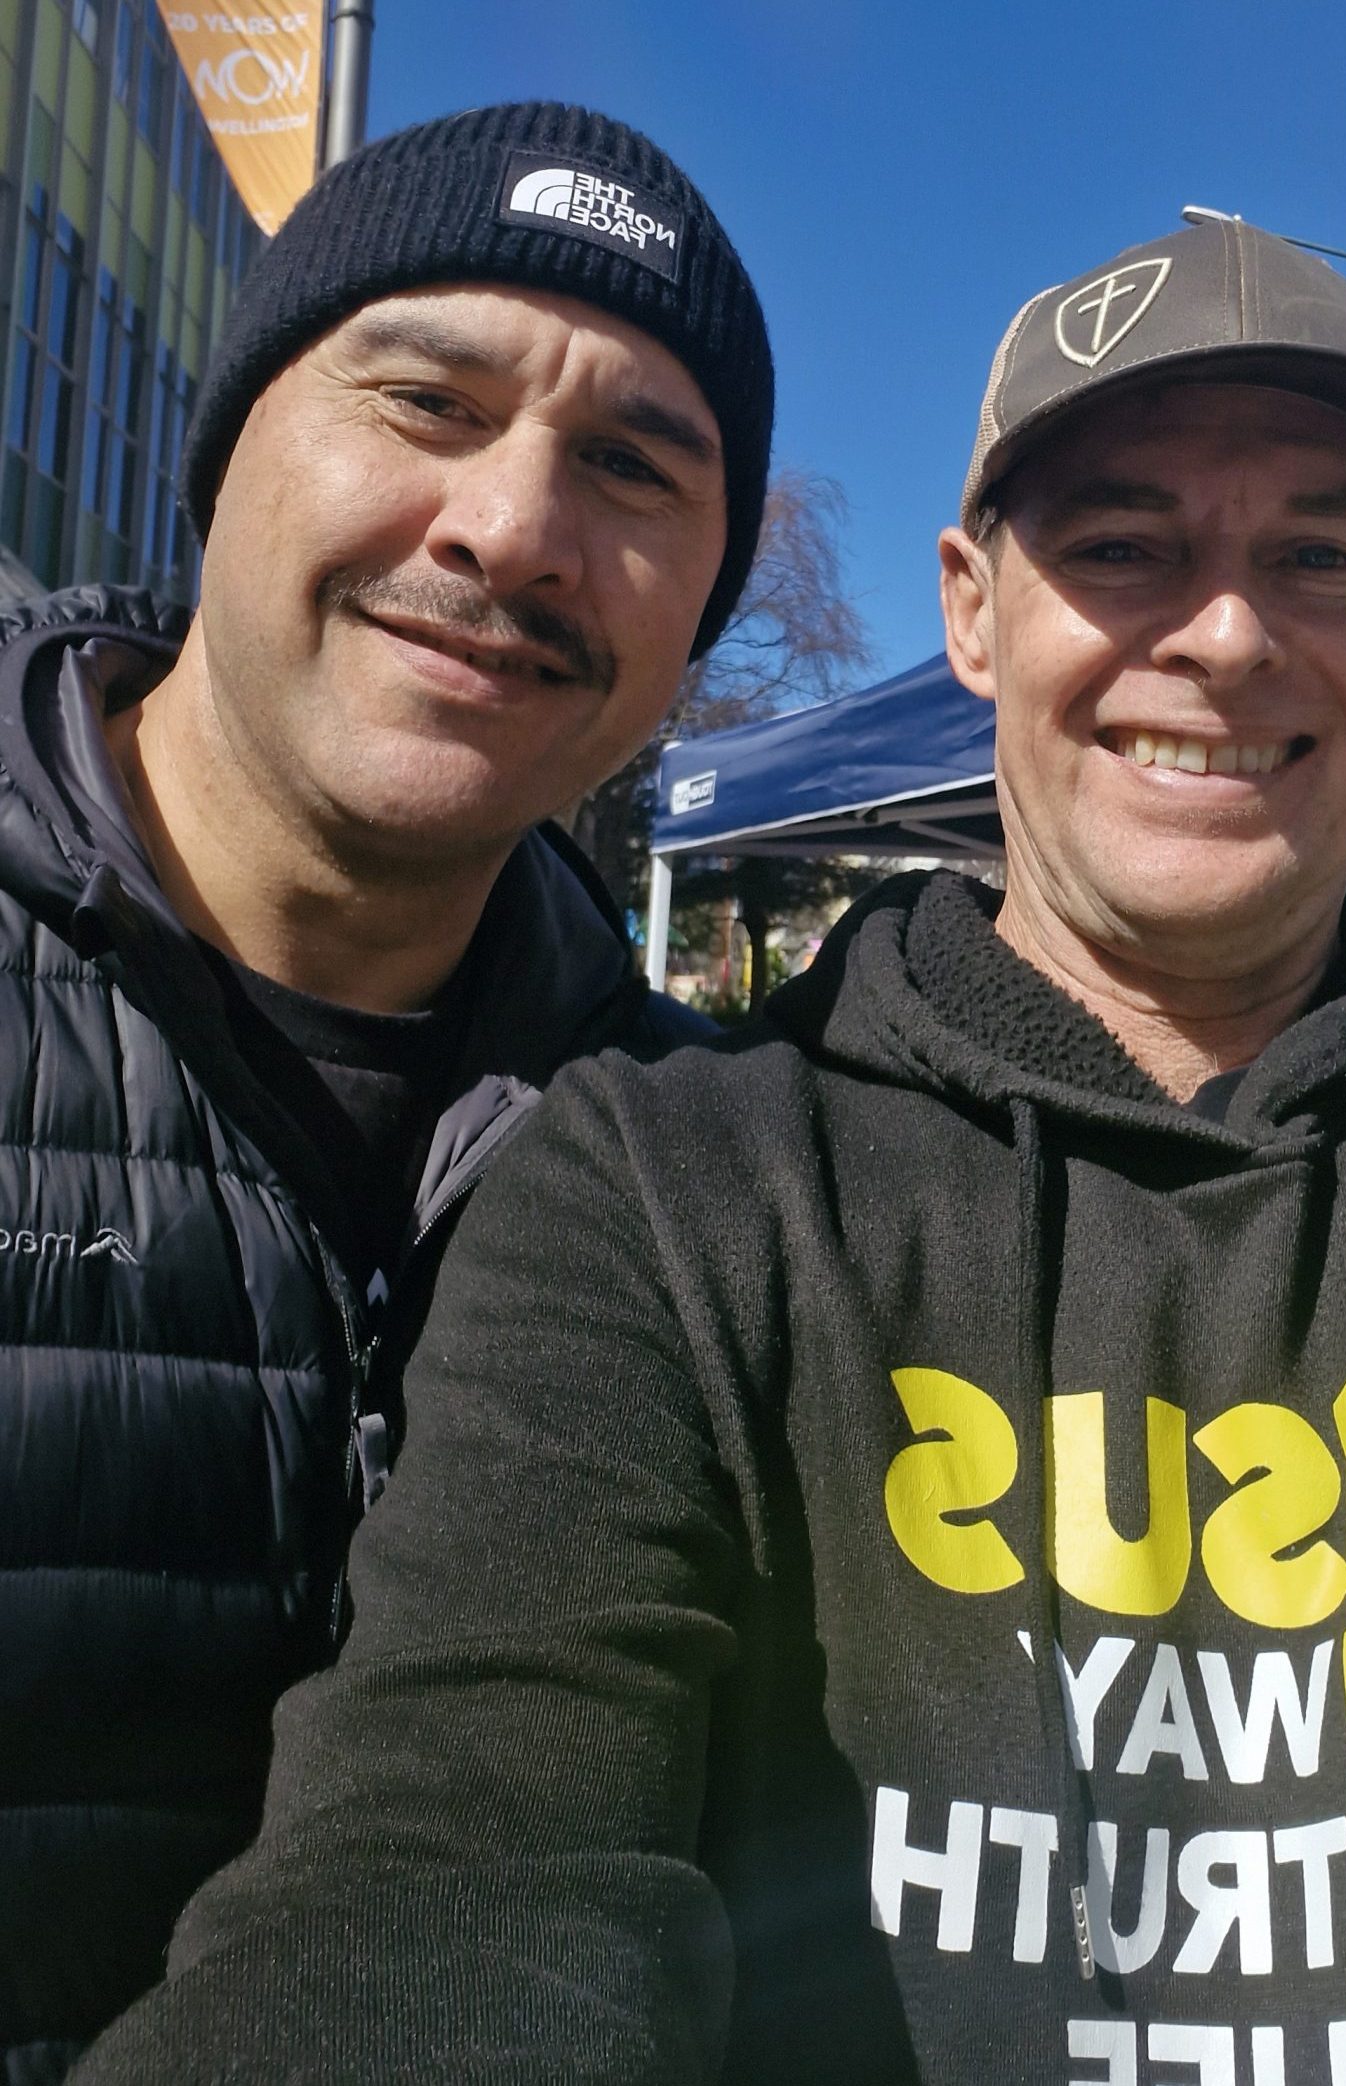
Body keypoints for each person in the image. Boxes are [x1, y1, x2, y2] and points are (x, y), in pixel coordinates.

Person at [80, 219, 1346, 2086]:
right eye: (1121, 546)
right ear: (971, 609)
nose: (1226, 633)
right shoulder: (670, 1187)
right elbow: (440, 1867)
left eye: (1319, 556)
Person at [0, 101, 774, 2074]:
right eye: (429, 401)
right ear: (228, 446)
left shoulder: (726, 1163)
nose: (513, 528)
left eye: (632, 465)